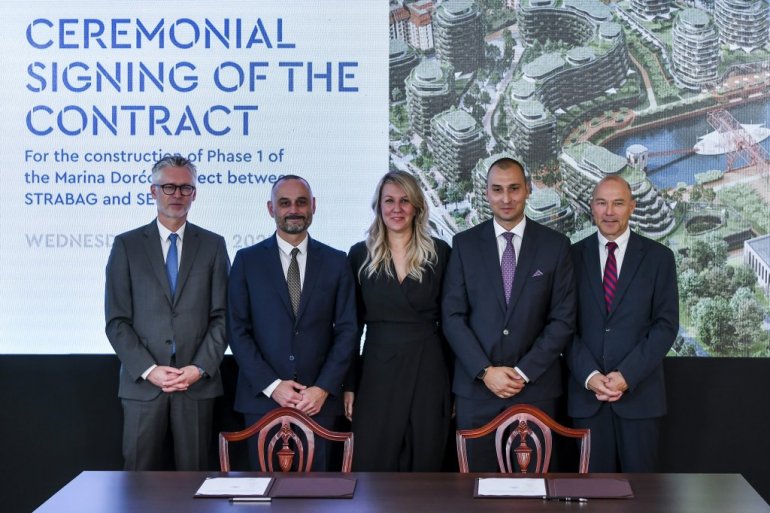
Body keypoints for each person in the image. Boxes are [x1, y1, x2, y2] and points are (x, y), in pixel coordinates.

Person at [442, 157, 576, 472]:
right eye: (498, 189)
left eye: (514, 188)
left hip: (535, 389)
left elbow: (563, 319)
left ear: (528, 189)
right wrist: (485, 371)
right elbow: (452, 316)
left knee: (535, 486)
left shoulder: (556, 246)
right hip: (477, 391)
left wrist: (523, 372)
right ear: (486, 192)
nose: (506, 198)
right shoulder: (464, 245)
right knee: (476, 485)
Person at [105, 155, 230, 470]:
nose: (177, 194)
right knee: (138, 479)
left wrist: (198, 368)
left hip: (196, 384)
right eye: (168, 187)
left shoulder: (213, 245)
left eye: (185, 188)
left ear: (194, 193)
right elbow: (117, 321)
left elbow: (223, 317)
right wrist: (150, 370)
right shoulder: (127, 245)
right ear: (153, 191)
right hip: (143, 384)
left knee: (195, 477)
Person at [227, 175, 357, 470]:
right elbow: (236, 330)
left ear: (313, 206)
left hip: (319, 402)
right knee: (264, 489)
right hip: (262, 400)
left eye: (301, 202)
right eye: (284, 203)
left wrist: (322, 388)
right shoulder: (247, 261)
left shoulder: (337, 261)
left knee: (317, 491)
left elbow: (348, 331)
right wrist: (272, 386)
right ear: (271, 208)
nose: (293, 210)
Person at [566, 175, 678, 472]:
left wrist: (627, 375)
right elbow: (563, 326)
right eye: (602, 203)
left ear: (632, 206)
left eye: (618, 203)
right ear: (592, 207)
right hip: (587, 398)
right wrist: (590, 376)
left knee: (641, 492)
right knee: (591, 492)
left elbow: (666, 325)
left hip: (640, 398)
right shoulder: (571, 257)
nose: (609, 212)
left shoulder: (659, 258)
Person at [344, 171, 452, 471]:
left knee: (426, 462)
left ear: (416, 206)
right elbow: (351, 328)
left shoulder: (440, 253)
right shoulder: (359, 255)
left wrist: (453, 386)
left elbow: (451, 324)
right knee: (373, 463)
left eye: (405, 201)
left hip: (429, 370)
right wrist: (349, 384)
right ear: (378, 206)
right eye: (389, 201)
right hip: (377, 372)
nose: (397, 208)